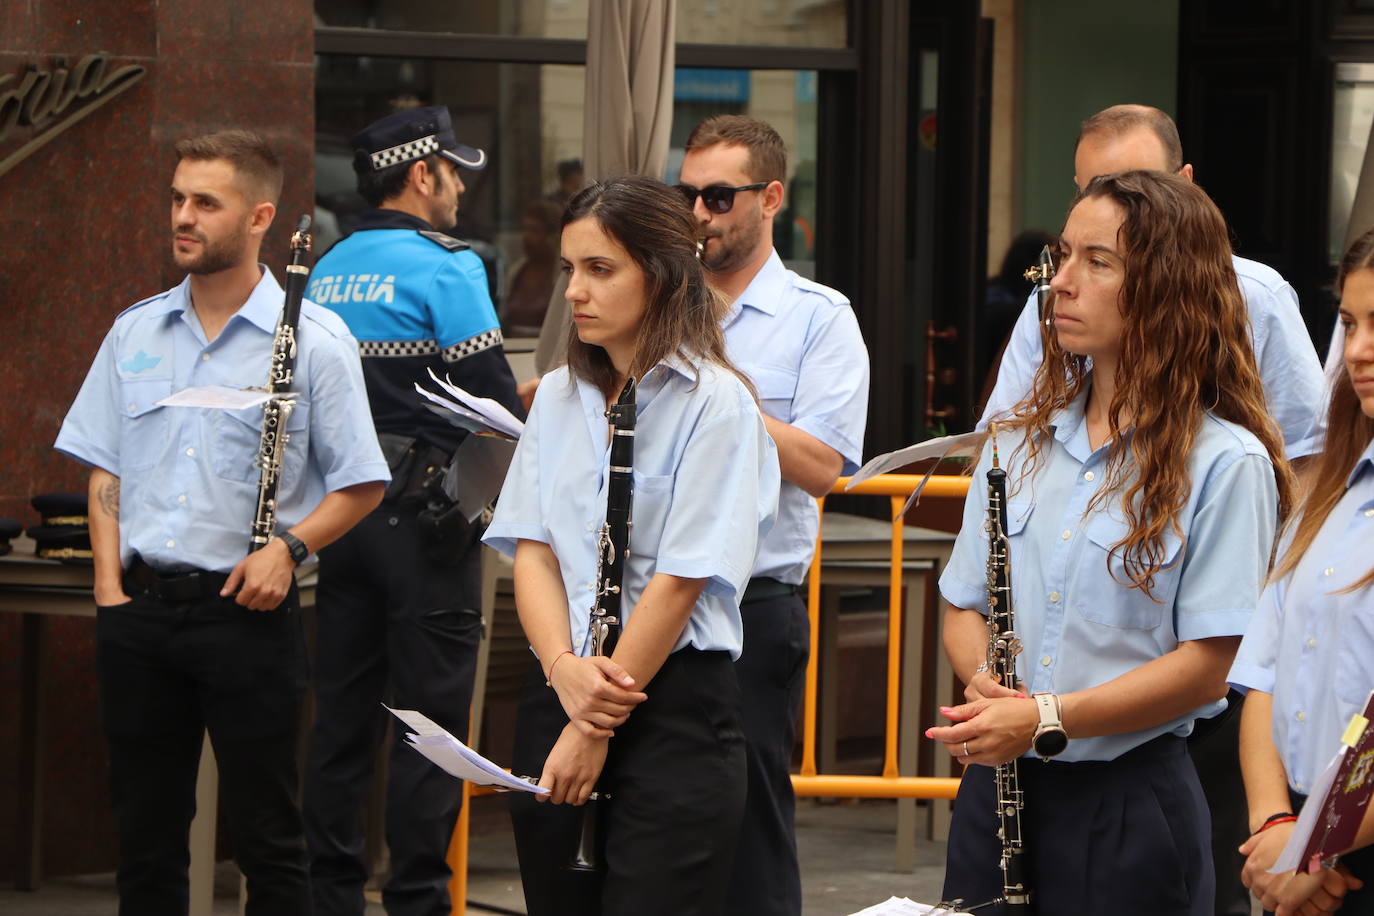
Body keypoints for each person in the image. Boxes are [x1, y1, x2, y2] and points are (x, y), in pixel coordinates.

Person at [980, 103, 1327, 916]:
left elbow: (1305, 459)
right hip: (1022, 747)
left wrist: (1266, 592)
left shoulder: (1254, 316)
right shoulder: (1049, 325)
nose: (1066, 276)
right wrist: (997, 688)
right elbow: (998, 446)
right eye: (1089, 193)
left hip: (1164, 727)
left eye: (1098, 256)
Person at [53, 130, 389, 915]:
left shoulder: (315, 340)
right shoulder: (136, 329)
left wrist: (290, 548)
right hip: (139, 613)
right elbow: (105, 462)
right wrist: (108, 589)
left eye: (207, 202)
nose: (184, 216)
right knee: (144, 836)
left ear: (259, 216)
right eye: (177, 198)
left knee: (269, 838)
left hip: (248, 612)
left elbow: (363, 482)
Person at [482, 175, 779, 916]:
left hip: (670, 700)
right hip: (562, 683)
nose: (575, 292)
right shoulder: (557, 395)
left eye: (600, 270)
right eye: (569, 270)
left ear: (663, 274)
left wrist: (592, 721)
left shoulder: (716, 402)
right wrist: (561, 672)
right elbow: (534, 551)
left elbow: (681, 579)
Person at [300, 106, 523, 916]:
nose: (461, 186)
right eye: (453, 171)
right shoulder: (449, 265)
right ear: (421, 174)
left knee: (340, 723)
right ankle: (419, 902)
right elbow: (491, 405)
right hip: (428, 519)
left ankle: (329, 897)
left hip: (338, 517)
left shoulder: (325, 268)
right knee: (429, 731)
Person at [677, 113, 870, 916]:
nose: (698, 216)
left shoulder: (820, 316)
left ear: (771, 199)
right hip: (652, 593)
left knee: (750, 822)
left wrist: (720, 394)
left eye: (719, 197)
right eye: (685, 195)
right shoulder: (654, 297)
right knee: (661, 818)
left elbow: (824, 465)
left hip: (753, 597)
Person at [1229, 226, 1374, 916]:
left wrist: (1310, 853)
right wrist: (1273, 825)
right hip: (1294, 851)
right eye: (1349, 322)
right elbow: (1261, 676)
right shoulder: (1327, 491)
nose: (1358, 351)